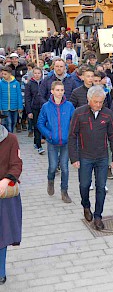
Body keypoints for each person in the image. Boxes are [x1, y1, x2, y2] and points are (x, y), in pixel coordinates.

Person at [68, 86, 113, 231]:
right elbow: (72, 136)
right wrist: (74, 158)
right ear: (89, 100)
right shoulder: (79, 113)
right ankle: (86, 205)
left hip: (102, 157)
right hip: (84, 157)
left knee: (101, 187)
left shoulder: (107, 114)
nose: (98, 105)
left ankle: (98, 216)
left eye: (101, 102)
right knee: (84, 185)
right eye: (95, 102)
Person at [37, 81, 75, 202]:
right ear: (52, 91)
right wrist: (49, 134)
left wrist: (71, 134)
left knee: (65, 167)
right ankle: (50, 180)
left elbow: (74, 122)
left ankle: (64, 191)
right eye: (57, 90)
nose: (60, 92)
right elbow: (40, 123)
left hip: (65, 142)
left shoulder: (69, 106)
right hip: (52, 142)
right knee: (53, 166)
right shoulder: (46, 107)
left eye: (62, 90)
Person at [0, 113, 23, 286]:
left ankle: (1, 271)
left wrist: (6, 180)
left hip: (3, 195)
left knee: (3, 235)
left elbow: (17, 164)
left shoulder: (11, 139)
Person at [25, 67, 45, 154]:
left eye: (38, 73)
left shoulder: (44, 83)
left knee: (43, 125)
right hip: (34, 108)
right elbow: (27, 98)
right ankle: (39, 145)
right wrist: (29, 111)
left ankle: (37, 141)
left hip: (43, 107)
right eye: (35, 73)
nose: (37, 75)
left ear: (41, 74)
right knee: (37, 126)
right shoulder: (29, 84)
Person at [0, 66, 22, 133]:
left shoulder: (16, 83)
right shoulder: (1, 84)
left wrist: (20, 106)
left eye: (5, 74)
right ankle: (10, 135)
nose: (3, 76)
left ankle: (10, 134)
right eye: (2, 74)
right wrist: (0, 107)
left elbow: (19, 95)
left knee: (14, 122)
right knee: (8, 122)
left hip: (14, 106)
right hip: (5, 107)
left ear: (10, 74)